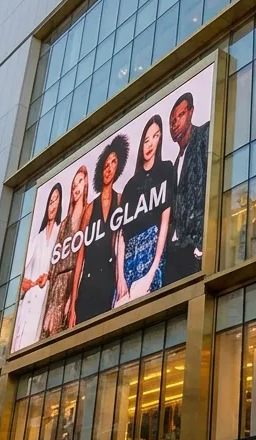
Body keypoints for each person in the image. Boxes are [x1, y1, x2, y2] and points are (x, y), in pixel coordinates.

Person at [114, 116, 175, 306]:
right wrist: (120, 277)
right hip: (128, 259)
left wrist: (154, 268)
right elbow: (121, 236)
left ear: (161, 138)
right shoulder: (130, 186)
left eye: (155, 137)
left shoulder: (166, 169)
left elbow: (165, 221)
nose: (150, 144)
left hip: (152, 253)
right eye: (146, 139)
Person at [71, 136, 126, 325]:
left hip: (108, 282)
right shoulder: (89, 208)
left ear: (118, 168)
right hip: (88, 282)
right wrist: (72, 306)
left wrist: (120, 280)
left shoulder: (120, 200)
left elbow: (120, 243)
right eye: (106, 164)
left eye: (113, 163)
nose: (109, 168)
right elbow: (80, 258)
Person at [41, 166, 92, 338]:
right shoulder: (63, 224)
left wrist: (73, 297)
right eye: (73, 184)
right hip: (57, 288)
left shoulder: (88, 213)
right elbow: (54, 264)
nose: (76, 187)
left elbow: (84, 257)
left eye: (80, 182)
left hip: (73, 283)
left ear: (86, 185)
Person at [165, 91, 208, 280]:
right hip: (176, 252)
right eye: (171, 121)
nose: (175, 124)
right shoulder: (174, 166)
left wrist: (201, 245)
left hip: (198, 247)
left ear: (191, 112)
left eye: (180, 116)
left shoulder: (204, 136)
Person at [15, 183, 63, 346]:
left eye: (56, 200)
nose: (53, 205)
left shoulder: (60, 233)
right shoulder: (37, 238)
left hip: (45, 297)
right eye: (50, 201)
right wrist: (25, 284)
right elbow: (23, 276)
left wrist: (49, 276)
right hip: (28, 299)